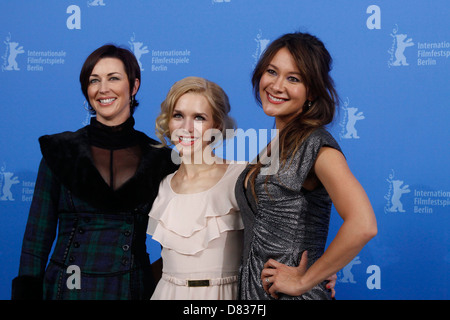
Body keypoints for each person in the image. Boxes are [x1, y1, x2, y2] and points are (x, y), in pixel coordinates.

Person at [11, 44, 177, 300]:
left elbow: (181, 240)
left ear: (133, 86)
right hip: (67, 288)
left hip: (131, 289)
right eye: (94, 80)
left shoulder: (161, 159)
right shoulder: (60, 151)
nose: (103, 89)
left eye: (113, 78)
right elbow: (37, 238)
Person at [235, 32, 377, 300]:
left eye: (293, 78)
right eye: (271, 72)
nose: (276, 86)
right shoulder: (275, 144)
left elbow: (363, 223)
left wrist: (306, 280)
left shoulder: (317, 146)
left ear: (311, 90)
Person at [147, 76, 247, 300]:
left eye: (199, 118)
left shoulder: (241, 176)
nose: (186, 128)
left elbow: (280, 233)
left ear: (217, 125)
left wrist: (313, 274)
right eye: (178, 116)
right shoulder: (161, 186)